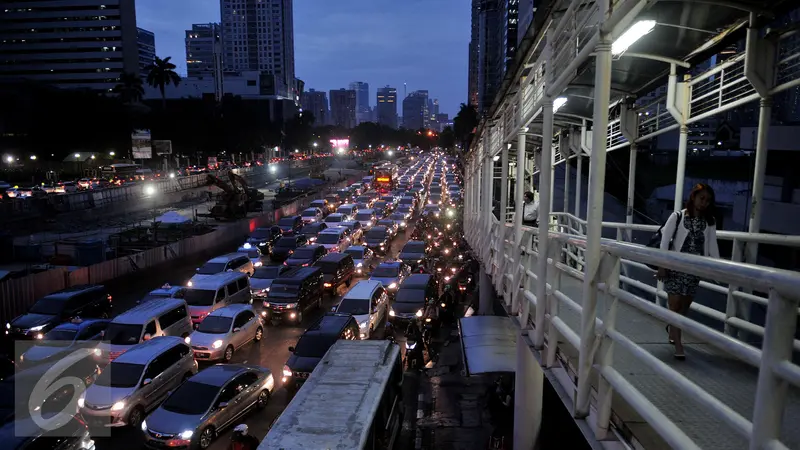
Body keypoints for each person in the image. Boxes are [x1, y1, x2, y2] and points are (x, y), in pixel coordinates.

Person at [657, 183, 720, 360]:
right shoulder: (677, 216)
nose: (704, 203)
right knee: (675, 305)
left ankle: (673, 330)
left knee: (684, 308)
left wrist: (719, 270)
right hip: (675, 268)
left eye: (708, 200)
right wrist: (662, 265)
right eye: (702, 198)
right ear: (693, 197)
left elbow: (712, 247)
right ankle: (679, 344)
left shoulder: (710, 222)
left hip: (694, 270)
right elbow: (664, 241)